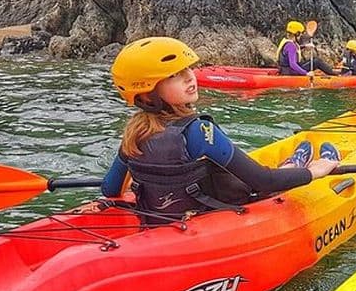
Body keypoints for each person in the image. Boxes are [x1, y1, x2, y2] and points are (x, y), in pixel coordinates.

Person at [103, 36, 341, 224]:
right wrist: (315, 172)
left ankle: (294, 161)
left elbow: (110, 189)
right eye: (174, 75)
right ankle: (299, 164)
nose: (190, 77)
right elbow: (263, 182)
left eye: (188, 69)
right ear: (147, 93)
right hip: (217, 209)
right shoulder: (198, 131)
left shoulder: (133, 133)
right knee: (255, 181)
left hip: (165, 220)